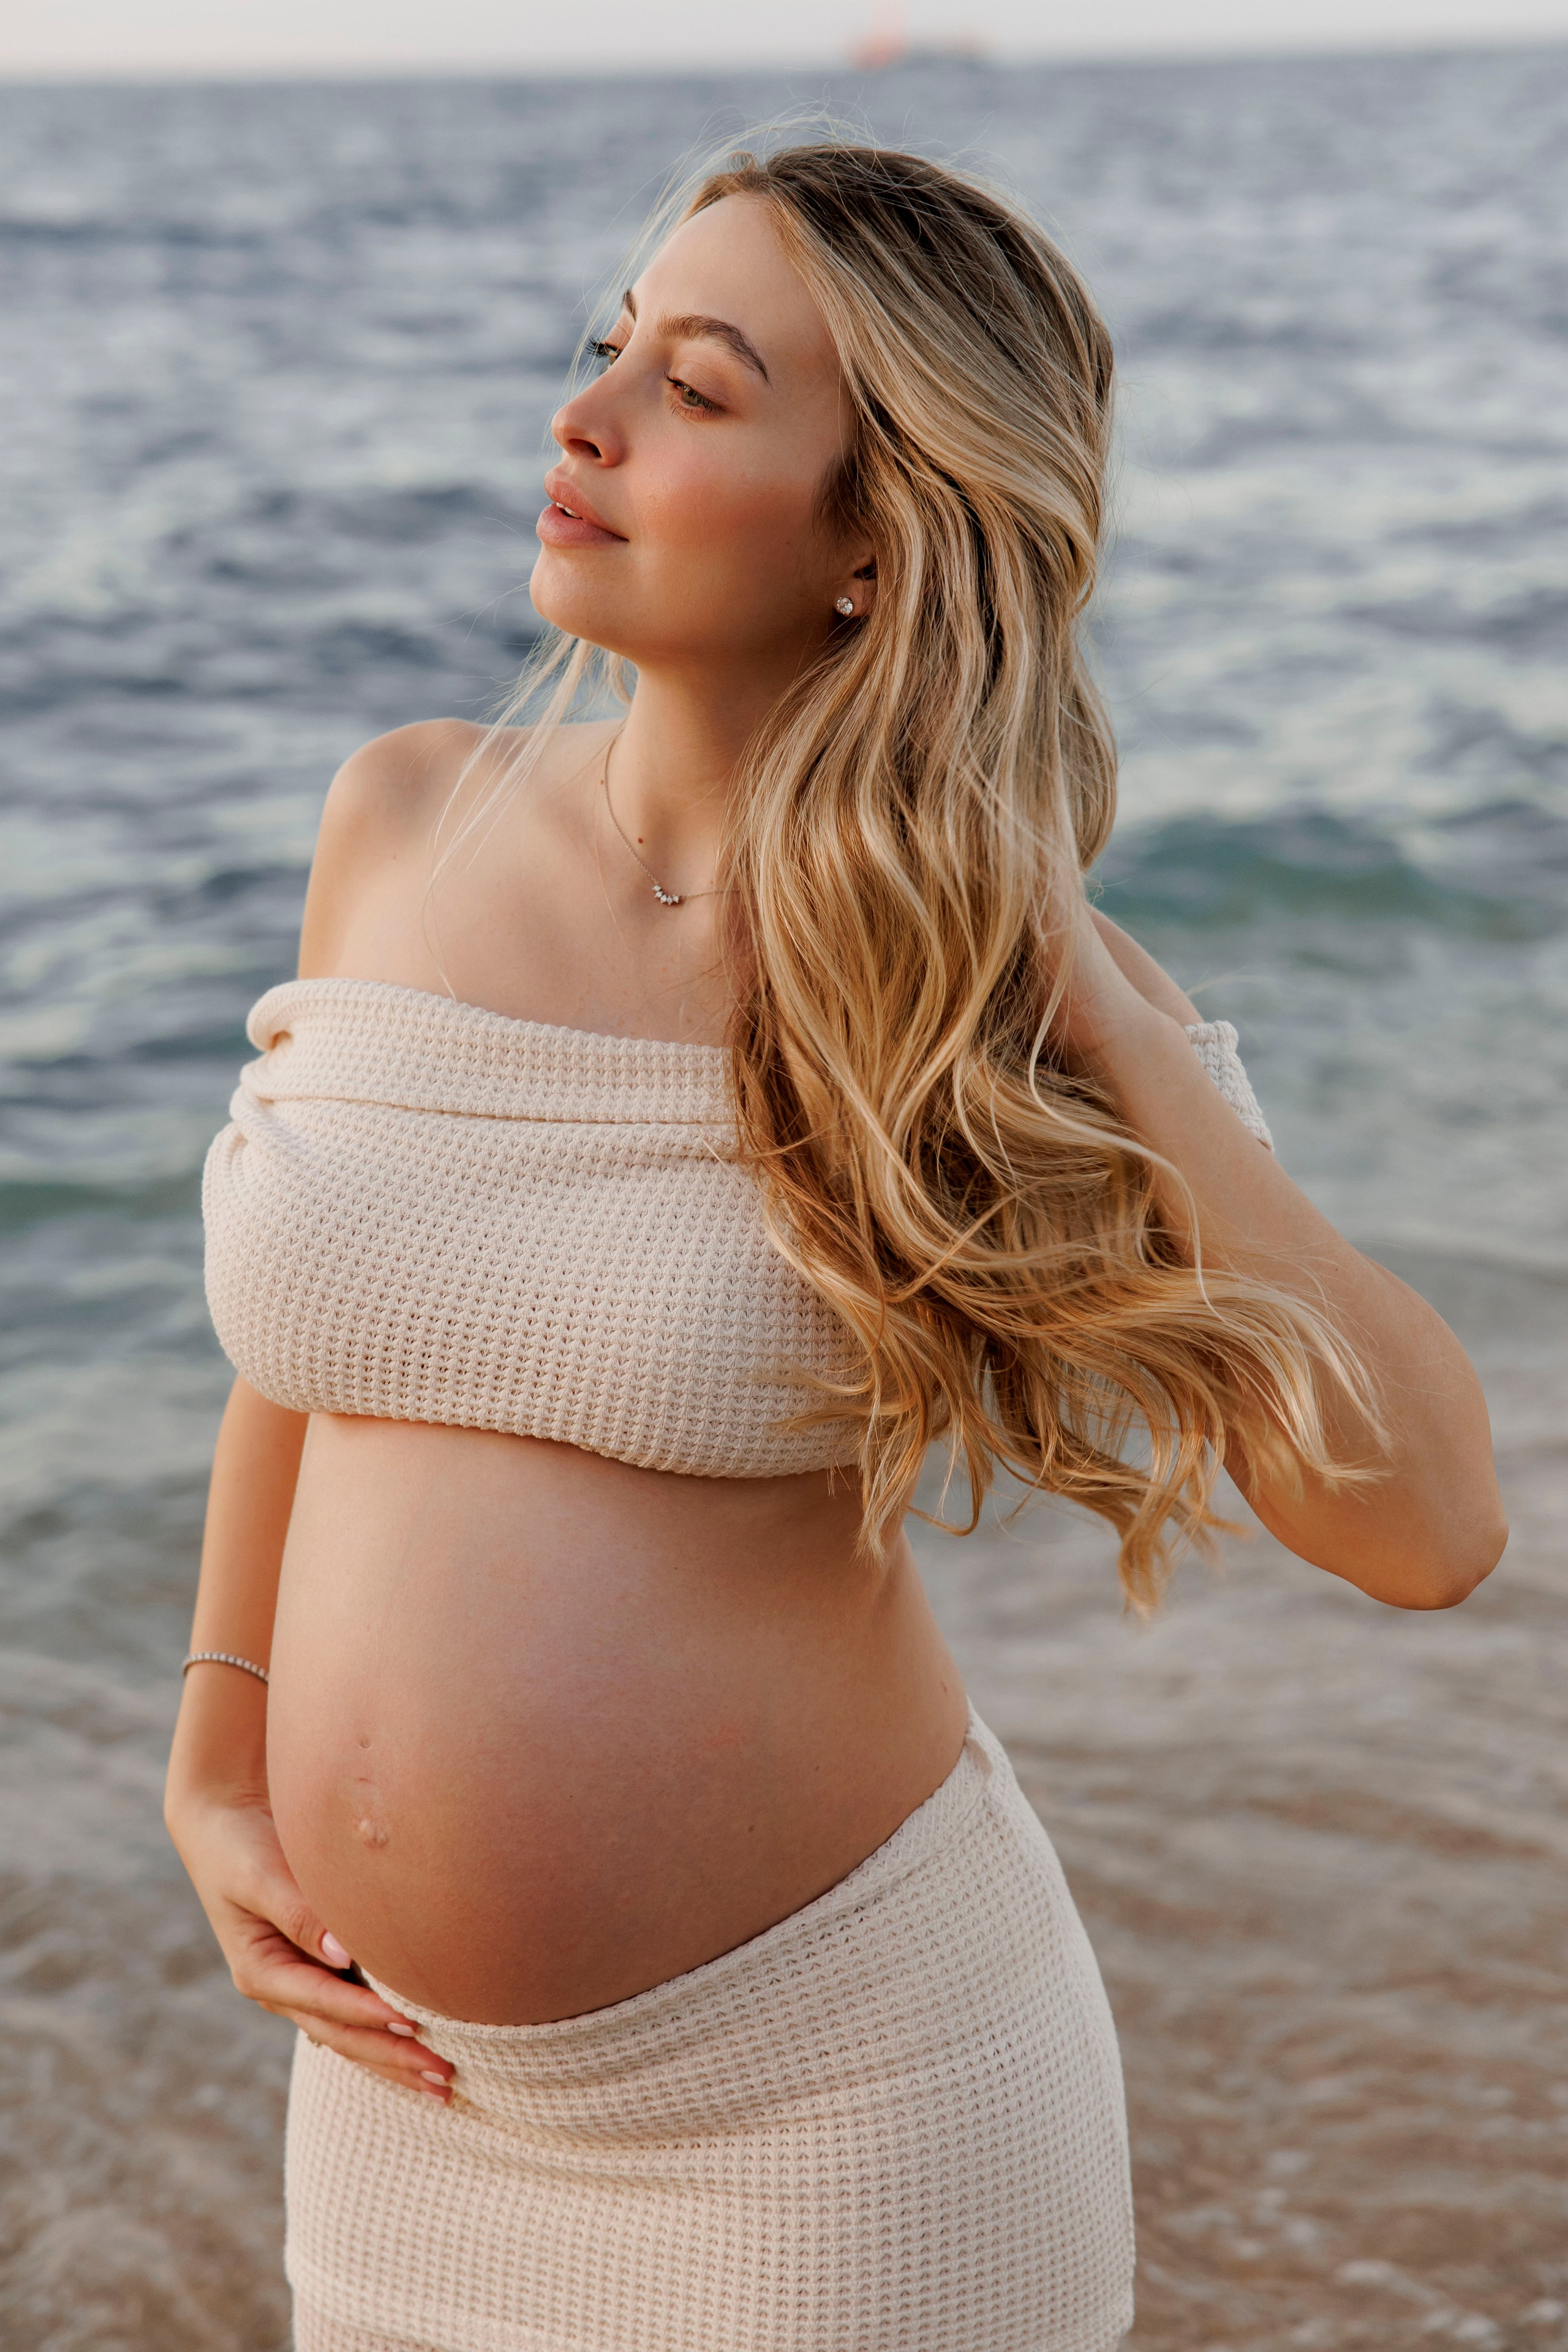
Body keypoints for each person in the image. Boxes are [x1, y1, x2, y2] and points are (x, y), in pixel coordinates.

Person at [164, 140, 1506, 2352]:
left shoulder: (980, 980)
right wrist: (217, 1758)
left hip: (843, 2131)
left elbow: (1430, 1527)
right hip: (404, 2109)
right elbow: (313, 1350)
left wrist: (1099, 1005)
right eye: (609, 350)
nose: (583, 418)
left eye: (694, 389)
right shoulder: (401, 817)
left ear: (879, 534)